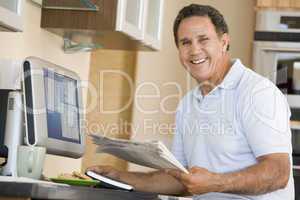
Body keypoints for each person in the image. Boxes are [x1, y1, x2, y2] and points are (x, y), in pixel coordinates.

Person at [87, 4, 294, 200]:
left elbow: (278, 172)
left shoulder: (257, 92)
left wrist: (215, 183)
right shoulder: (188, 104)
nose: (194, 50)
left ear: (224, 42)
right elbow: (181, 180)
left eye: (203, 40)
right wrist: (120, 177)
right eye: (185, 42)